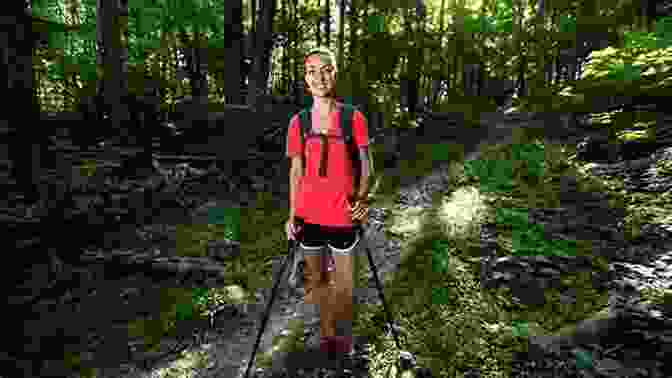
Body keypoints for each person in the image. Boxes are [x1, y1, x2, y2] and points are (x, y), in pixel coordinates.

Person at [285, 47, 371, 357]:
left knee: (345, 285)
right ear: (305, 77)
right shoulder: (299, 122)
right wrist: (292, 215)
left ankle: (345, 340)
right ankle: (327, 334)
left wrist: (362, 200)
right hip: (308, 216)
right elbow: (296, 171)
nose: (319, 77)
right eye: (312, 71)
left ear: (335, 74)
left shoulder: (353, 118)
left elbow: (367, 165)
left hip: (343, 216)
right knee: (317, 281)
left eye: (326, 70)